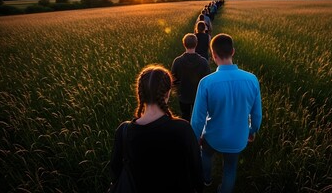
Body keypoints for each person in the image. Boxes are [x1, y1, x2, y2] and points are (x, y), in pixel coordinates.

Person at [110, 64, 204, 193]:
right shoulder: (183, 129)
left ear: (140, 93)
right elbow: (196, 169)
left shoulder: (124, 131)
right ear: (168, 93)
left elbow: (116, 169)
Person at [191, 34, 262, 193]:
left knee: (206, 156)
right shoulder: (252, 79)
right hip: (238, 138)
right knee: (230, 168)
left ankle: (207, 180)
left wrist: (195, 138)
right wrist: (252, 131)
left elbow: (198, 119)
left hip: (212, 136)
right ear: (233, 52)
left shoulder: (206, 82)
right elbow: (256, 115)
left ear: (213, 55)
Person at [172, 34, 211, 121]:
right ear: (196, 44)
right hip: (198, 95)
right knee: (197, 117)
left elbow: (173, 79)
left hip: (183, 95)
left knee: (185, 116)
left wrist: (177, 90)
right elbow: (207, 80)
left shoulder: (177, 61)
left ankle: (185, 131)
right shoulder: (203, 62)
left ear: (184, 44)